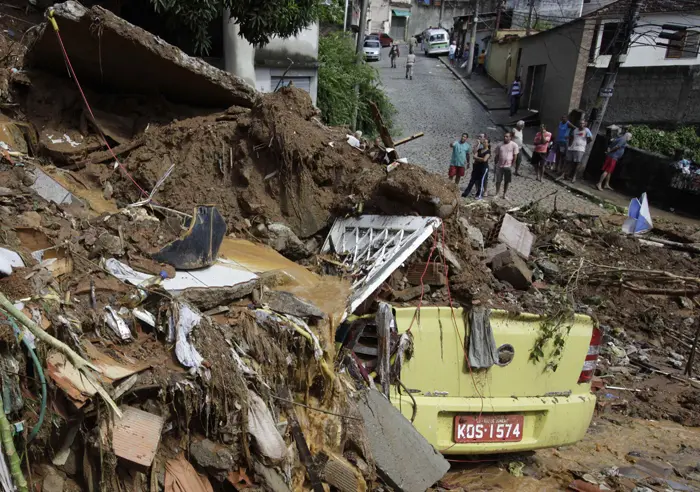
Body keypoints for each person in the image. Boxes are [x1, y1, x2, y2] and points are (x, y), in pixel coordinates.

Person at [462, 135, 491, 199]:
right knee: (472, 180)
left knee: (481, 181)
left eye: (486, 142)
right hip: (477, 167)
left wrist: (477, 158)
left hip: (484, 168)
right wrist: (480, 158)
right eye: (483, 142)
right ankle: (465, 193)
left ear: (488, 144)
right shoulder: (480, 150)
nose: (484, 143)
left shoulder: (488, 151)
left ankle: (479, 195)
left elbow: (484, 160)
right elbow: (474, 156)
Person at [494, 132, 519, 200]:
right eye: (504, 136)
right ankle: (497, 193)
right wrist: (495, 163)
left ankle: (504, 194)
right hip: (500, 165)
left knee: (507, 181)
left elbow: (515, 155)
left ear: (510, 137)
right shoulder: (500, 145)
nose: (505, 138)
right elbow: (496, 155)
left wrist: (512, 164)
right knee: (498, 180)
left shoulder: (514, 145)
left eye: (507, 136)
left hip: (508, 166)